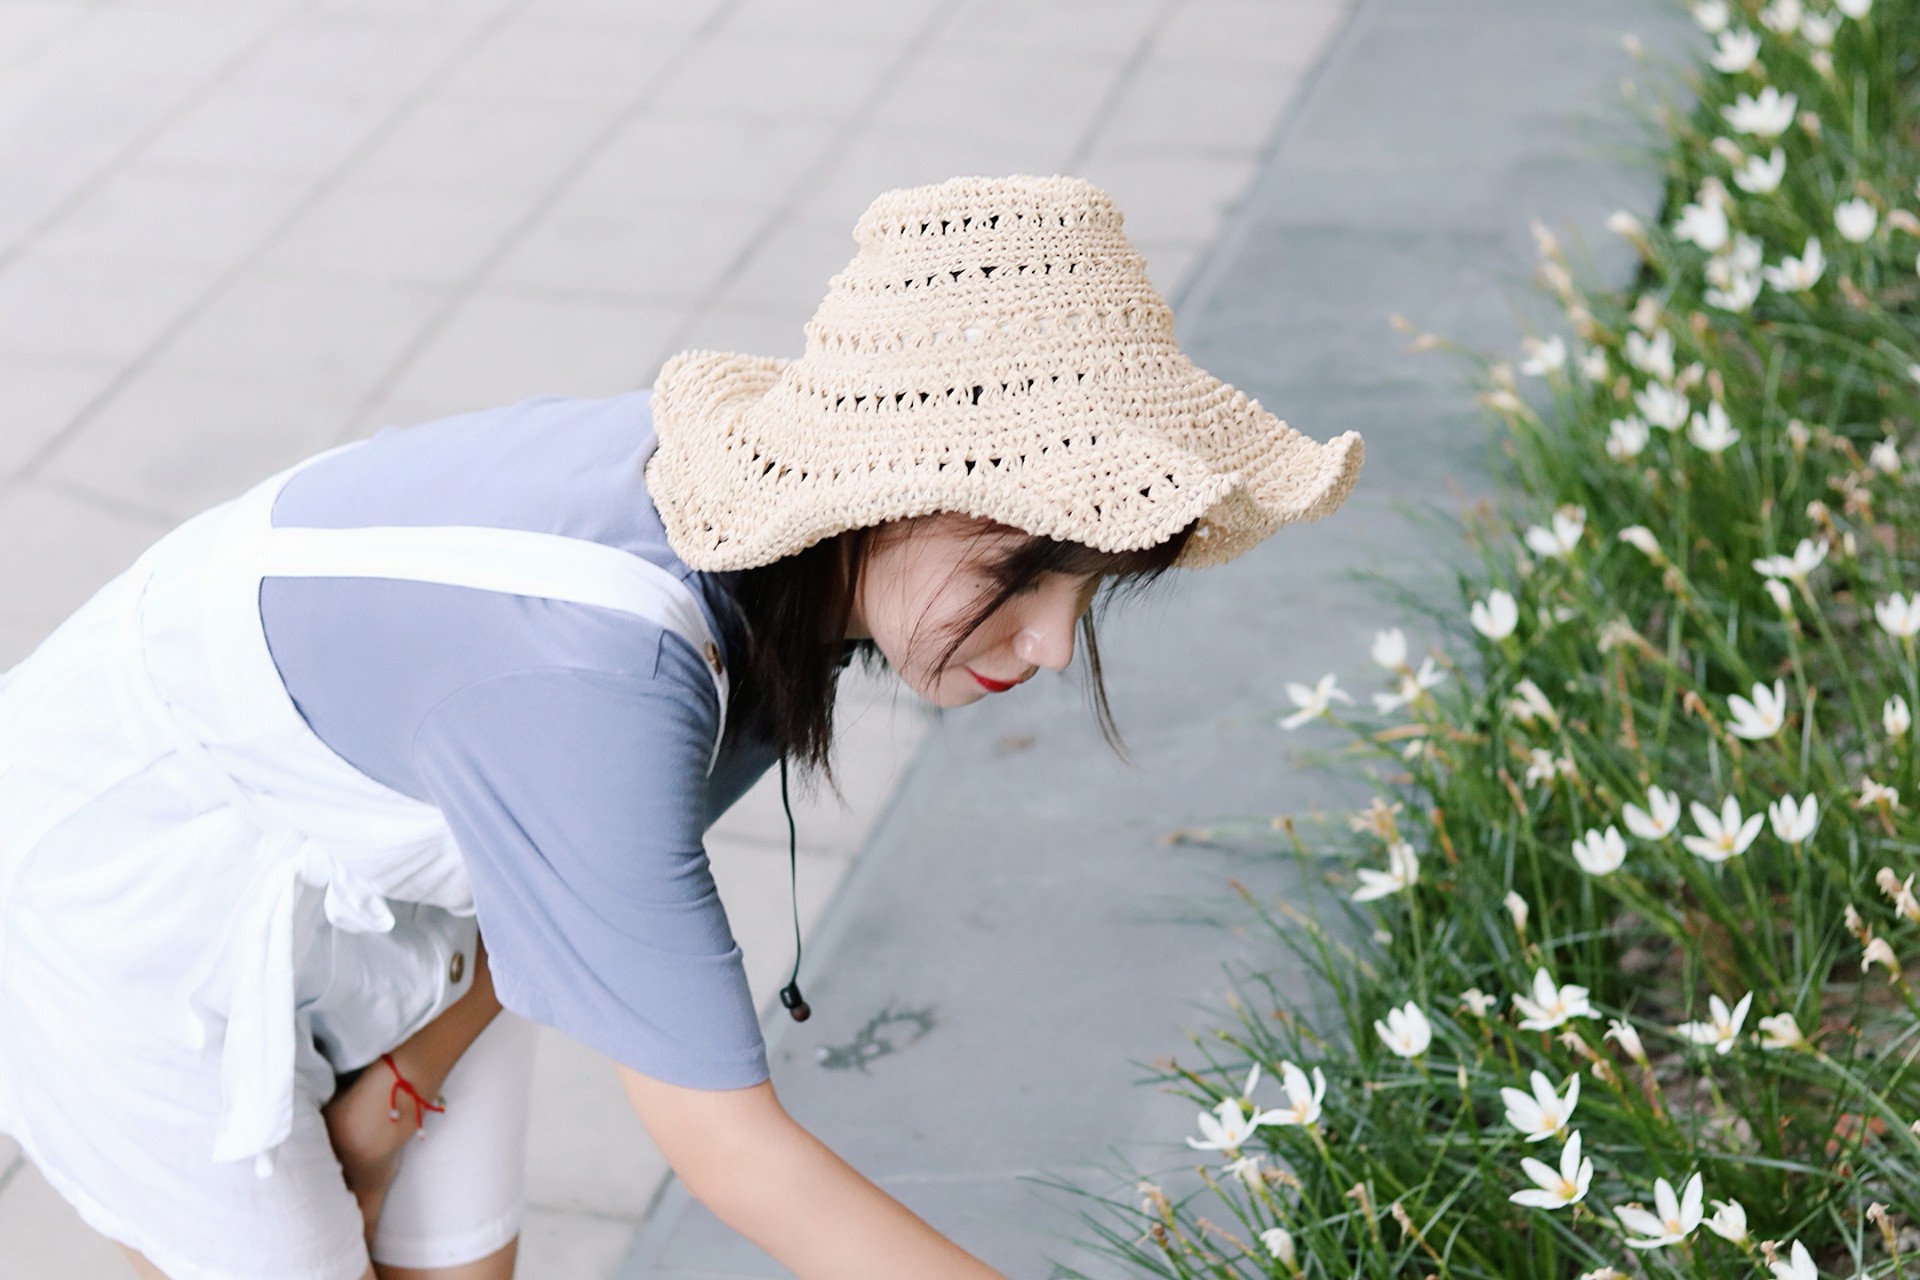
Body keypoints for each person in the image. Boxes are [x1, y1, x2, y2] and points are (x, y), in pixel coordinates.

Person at [0, 174, 1363, 1280]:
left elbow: (562, 899)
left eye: (1091, 586)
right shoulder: (598, 676)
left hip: (401, 853)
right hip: (123, 867)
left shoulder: (777, 579)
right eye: (1025, 570)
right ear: (887, 489)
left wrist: (400, 1083)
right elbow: (737, 1160)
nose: (1056, 643)